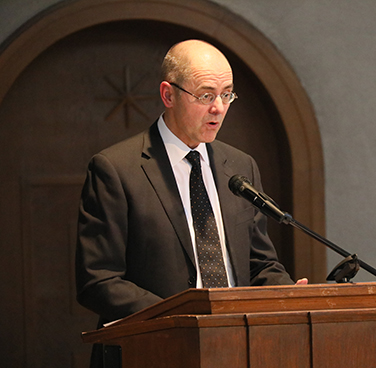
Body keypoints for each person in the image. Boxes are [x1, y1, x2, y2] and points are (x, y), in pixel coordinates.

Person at [75, 40, 306, 367]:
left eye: (227, 94)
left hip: (236, 349)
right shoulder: (116, 169)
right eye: (206, 95)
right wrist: (183, 319)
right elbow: (98, 281)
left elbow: (259, 265)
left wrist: (286, 295)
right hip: (152, 349)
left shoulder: (240, 167)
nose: (219, 108)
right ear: (168, 95)